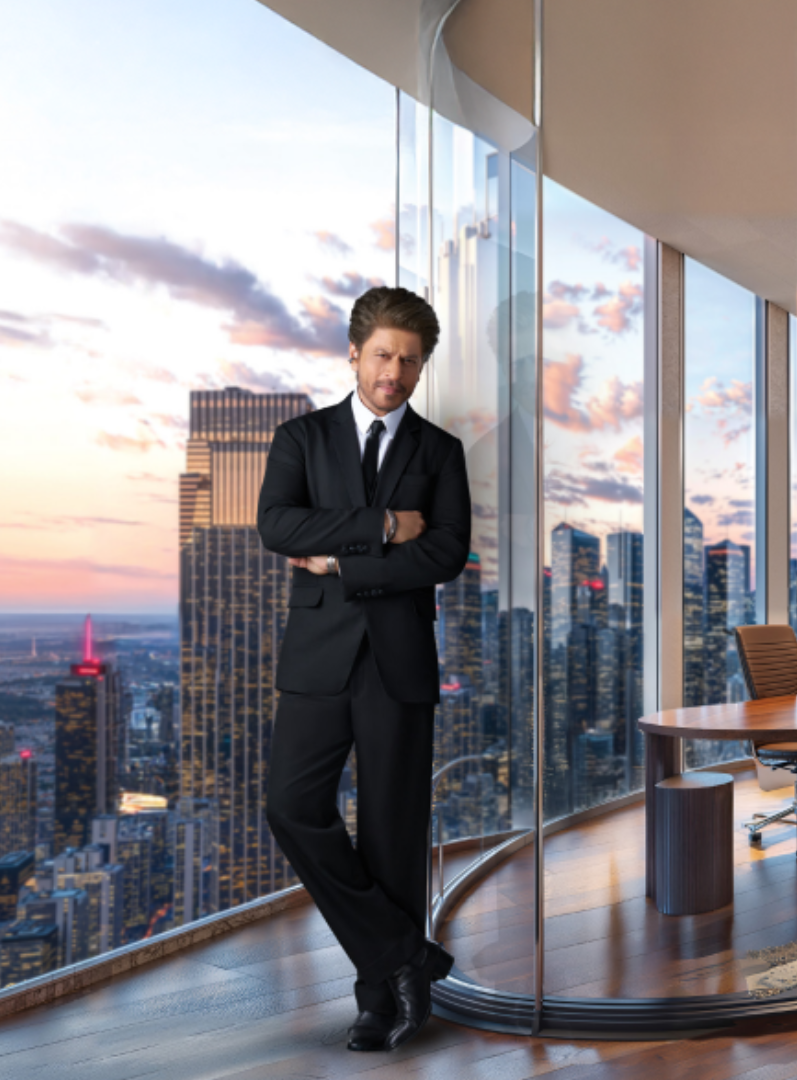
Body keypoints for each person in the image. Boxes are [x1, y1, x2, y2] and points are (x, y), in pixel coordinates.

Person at [257, 285, 470, 1052]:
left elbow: (446, 552)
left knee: (392, 832)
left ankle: (381, 1002)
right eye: (383, 355)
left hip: (399, 661)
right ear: (353, 354)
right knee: (292, 805)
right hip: (317, 660)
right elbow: (276, 524)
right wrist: (382, 525)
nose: (395, 372)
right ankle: (407, 954)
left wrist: (344, 566)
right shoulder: (301, 438)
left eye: (410, 361)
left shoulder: (439, 451)